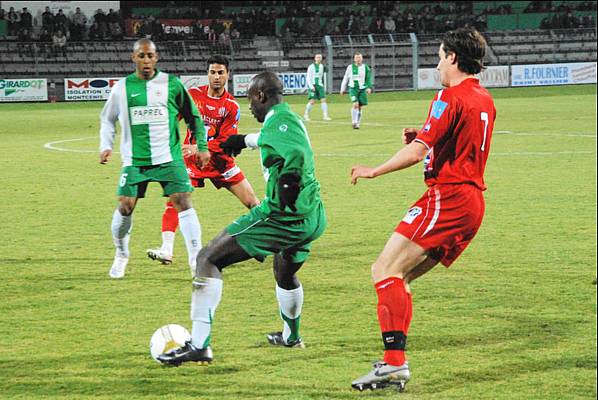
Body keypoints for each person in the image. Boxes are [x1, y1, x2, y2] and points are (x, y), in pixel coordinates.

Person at [349, 27, 495, 392]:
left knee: (384, 269)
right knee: (400, 278)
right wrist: (424, 133)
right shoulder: (483, 98)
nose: (437, 63)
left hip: (449, 196)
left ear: (453, 58)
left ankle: (395, 364)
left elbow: (418, 153)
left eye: (440, 56)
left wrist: (374, 170)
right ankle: (393, 362)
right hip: (473, 203)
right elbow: (456, 138)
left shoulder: (448, 96)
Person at [157, 71, 327, 366]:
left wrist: (288, 181)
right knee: (284, 271)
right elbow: (271, 137)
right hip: (312, 216)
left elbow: (295, 152)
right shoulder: (286, 117)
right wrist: (243, 141)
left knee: (207, 258)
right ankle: (291, 336)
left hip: (283, 216)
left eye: (250, 99)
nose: (249, 106)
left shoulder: (280, 121)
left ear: (261, 96)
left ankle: (198, 345)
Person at [99, 39, 210, 279]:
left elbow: (194, 117)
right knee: (125, 206)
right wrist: (106, 145)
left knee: (183, 201)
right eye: (142, 56)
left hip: (168, 157)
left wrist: (202, 146)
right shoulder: (122, 88)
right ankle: (121, 254)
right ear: (134, 58)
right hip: (135, 160)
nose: (146, 61)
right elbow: (107, 118)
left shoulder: (172, 84)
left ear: (157, 57)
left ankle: (195, 260)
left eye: (150, 56)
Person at [146, 54, 260, 270]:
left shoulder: (231, 106)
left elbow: (227, 140)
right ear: (207, 74)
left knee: (253, 203)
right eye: (212, 72)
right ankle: (167, 249)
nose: (216, 76)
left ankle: (273, 238)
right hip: (193, 162)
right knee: (176, 198)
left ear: (228, 74)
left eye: (220, 72)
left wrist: (198, 147)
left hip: (220, 163)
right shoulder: (193, 96)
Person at [340, 52, 372, 129]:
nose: (358, 59)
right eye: (356, 58)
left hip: (362, 89)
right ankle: (354, 122)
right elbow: (346, 78)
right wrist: (342, 88)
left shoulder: (366, 67)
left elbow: (368, 78)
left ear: (362, 59)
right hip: (353, 88)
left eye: (359, 58)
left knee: (360, 107)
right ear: (354, 59)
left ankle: (357, 123)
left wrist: (368, 87)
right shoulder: (350, 67)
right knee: (355, 104)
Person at [303, 54, 331, 122]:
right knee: (312, 101)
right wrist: (311, 86)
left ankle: (325, 115)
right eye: (317, 57)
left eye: (320, 57)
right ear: (315, 58)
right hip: (313, 85)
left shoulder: (322, 66)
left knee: (323, 100)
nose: (319, 59)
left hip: (320, 85)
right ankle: (306, 115)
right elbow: (308, 77)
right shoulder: (311, 67)